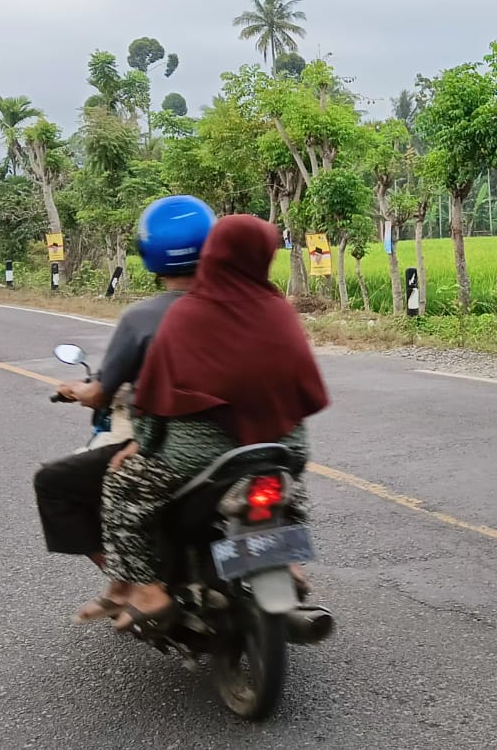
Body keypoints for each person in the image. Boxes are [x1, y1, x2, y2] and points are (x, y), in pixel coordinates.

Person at [101, 214, 329, 633]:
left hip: (200, 460)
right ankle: (288, 560)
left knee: (121, 487)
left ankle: (148, 590)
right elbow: (305, 388)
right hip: (282, 450)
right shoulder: (279, 311)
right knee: (288, 491)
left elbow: (151, 399)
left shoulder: (189, 314)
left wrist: (143, 445)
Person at [34, 195, 216, 624]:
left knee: (60, 482)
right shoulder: (248, 307)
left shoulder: (142, 318)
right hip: (249, 439)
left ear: (148, 254)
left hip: (173, 448)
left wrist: (80, 392)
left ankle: (135, 582)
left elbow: (102, 394)